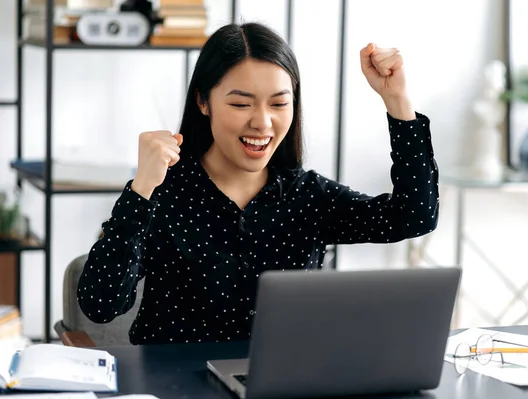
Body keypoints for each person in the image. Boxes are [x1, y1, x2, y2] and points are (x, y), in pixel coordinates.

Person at [77, 21, 440, 345]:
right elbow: (100, 305)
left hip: (283, 383)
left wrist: (397, 101)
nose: (263, 123)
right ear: (203, 101)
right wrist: (141, 191)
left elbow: (414, 216)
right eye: (241, 104)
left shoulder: (307, 195)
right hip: (174, 386)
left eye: (279, 103)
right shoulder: (162, 193)